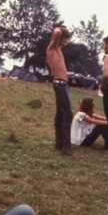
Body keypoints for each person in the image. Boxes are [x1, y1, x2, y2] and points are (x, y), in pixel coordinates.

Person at [46, 23, 75, 157]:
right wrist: (59, 29)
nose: (67, 41)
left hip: (61, 84)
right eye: (66, 38)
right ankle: (66, 147)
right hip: (60, 84)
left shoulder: (58, 49)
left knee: (60, 114)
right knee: (67, 114)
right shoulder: (52, 47)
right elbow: (57, 33)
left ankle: (59, 143)